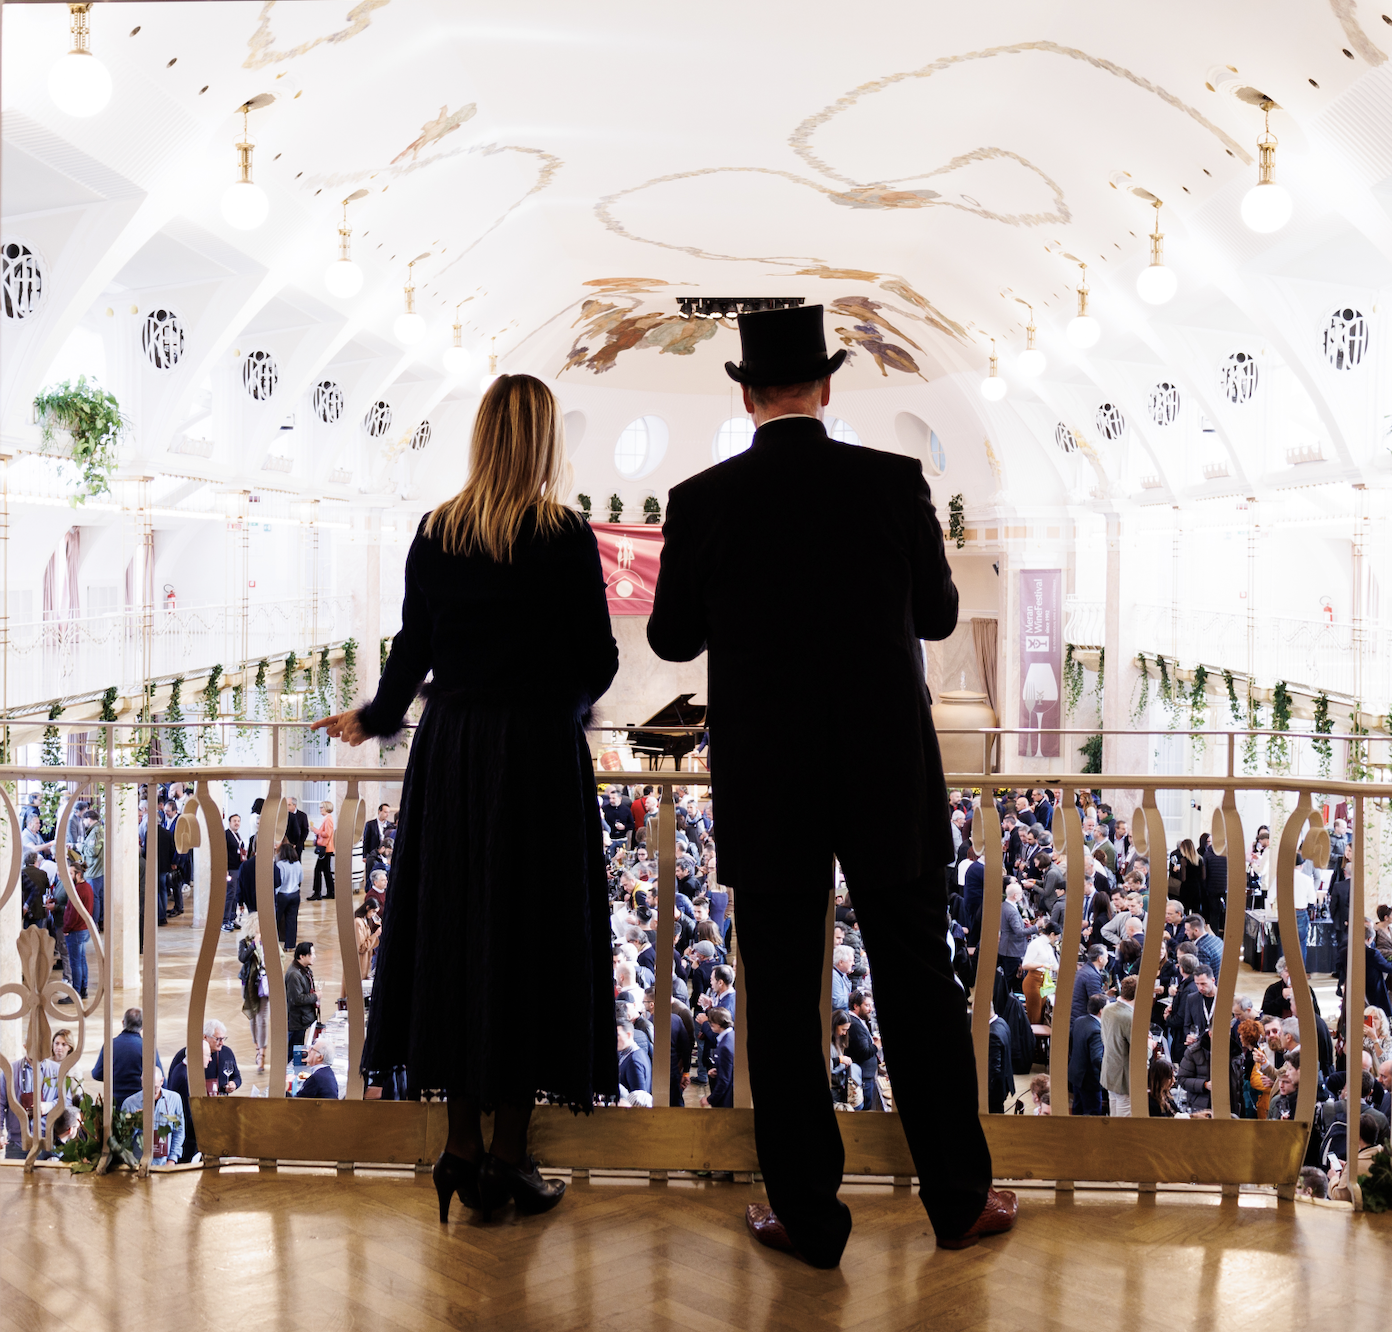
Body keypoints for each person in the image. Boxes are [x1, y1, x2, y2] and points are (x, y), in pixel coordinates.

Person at [647, 305, 1009, 1264]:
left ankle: (808, 1218)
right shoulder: (894, 482)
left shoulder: (702, 498)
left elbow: (672, 639)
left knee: (778, 998)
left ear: (747, 393)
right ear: (828, 386)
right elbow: (937, 616)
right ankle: (959, 1200)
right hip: (887, 769)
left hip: (769, 779)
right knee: (917, 986)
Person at [313, 373, 619, 1227]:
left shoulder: (437, 530)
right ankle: (511, 1159)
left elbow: (414, 650)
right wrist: (554, 703)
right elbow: (597, 660)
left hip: (451, 756)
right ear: (547, 442)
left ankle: (458, 1151)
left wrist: (373, 719)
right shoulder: (563, 536)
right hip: (534, 758)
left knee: (454, 932)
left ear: (481, 436)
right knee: (528, 940)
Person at [91, 1008, 161, 1107]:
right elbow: (158, 1076)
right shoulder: (147, 1047)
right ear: (142, 1026)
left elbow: (97, 1074)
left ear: (123, 1022)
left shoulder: (110, 1045)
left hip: (115, 1104)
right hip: (140, 1104)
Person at [120, 1063, 185, 1166]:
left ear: (162, 1081)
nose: (150, 1091)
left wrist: (172, 1159)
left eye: (155, 1087)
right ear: (142, 1082)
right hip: (138, 1163)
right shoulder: (130, 1103)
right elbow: (123, 1139)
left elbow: (179, 1131)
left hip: (164, 1163)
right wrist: (135, 1123)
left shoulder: (174, 1099)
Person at [1100, 975, 1138, 1116]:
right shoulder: (1130, 1017)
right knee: (1123, 1124)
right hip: (1124, 1079)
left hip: (1110, 1071)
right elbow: (1140, 1053)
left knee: (1113, 1114)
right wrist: (1150, 1045)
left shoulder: (1108, 1008)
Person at [238, 915, 270, 1071]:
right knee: (253, 1016)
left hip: (264, 984)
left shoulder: (269, 941)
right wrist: (254, 945)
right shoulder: (245, 942)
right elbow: (242, 958)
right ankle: (257, 1047)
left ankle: (262, 1053)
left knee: (263, 1018)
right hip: (250, 984)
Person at [285, 941, 320, 1059]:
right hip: (296, 1021)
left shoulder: (304, 970)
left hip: (303, 1018)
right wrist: (315, 996)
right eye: (312, 954)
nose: (314, 957)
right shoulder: (294, 975)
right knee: (294, 1053)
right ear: (302, 956)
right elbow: (297, 999)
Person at [274, 840, 303, 951]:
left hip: (282, 894)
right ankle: (290, 945)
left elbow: (278, 881)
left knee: (276, 918)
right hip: (295, 894)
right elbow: (301, 878)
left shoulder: (280, 865)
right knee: (292, 920)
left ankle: (274, 943)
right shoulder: (297, 864)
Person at [222, 813, 247, 932]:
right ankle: (224, 920)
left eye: (238, 821)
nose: (237, 823)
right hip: (231, 869)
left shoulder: (237, 835)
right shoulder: (226, 835)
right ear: (229, 823)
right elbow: (224, 852)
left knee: (235, 895)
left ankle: (232, 918)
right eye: (234, 821)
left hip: (238, 868)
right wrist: (225, 869)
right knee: (230, 895)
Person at [309, 801, 336, 900]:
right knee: (326, 871)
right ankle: (331, 891)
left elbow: (327, 834)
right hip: (327, 848)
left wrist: (315, 830)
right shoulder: (327, 818)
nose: (320, 809)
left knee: (317, 870)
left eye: (322, 807)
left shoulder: (328, 819)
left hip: (326, 849)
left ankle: (317, 892)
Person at [362, 803, 390, 892]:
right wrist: (365, 855)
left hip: (385, 855)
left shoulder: (390, 825)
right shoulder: (370, 824)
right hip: (373, 853)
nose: (387, 814)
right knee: (371, 873)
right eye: (385, 812)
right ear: (379, 811)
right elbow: (366, 840)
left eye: (388, 812)